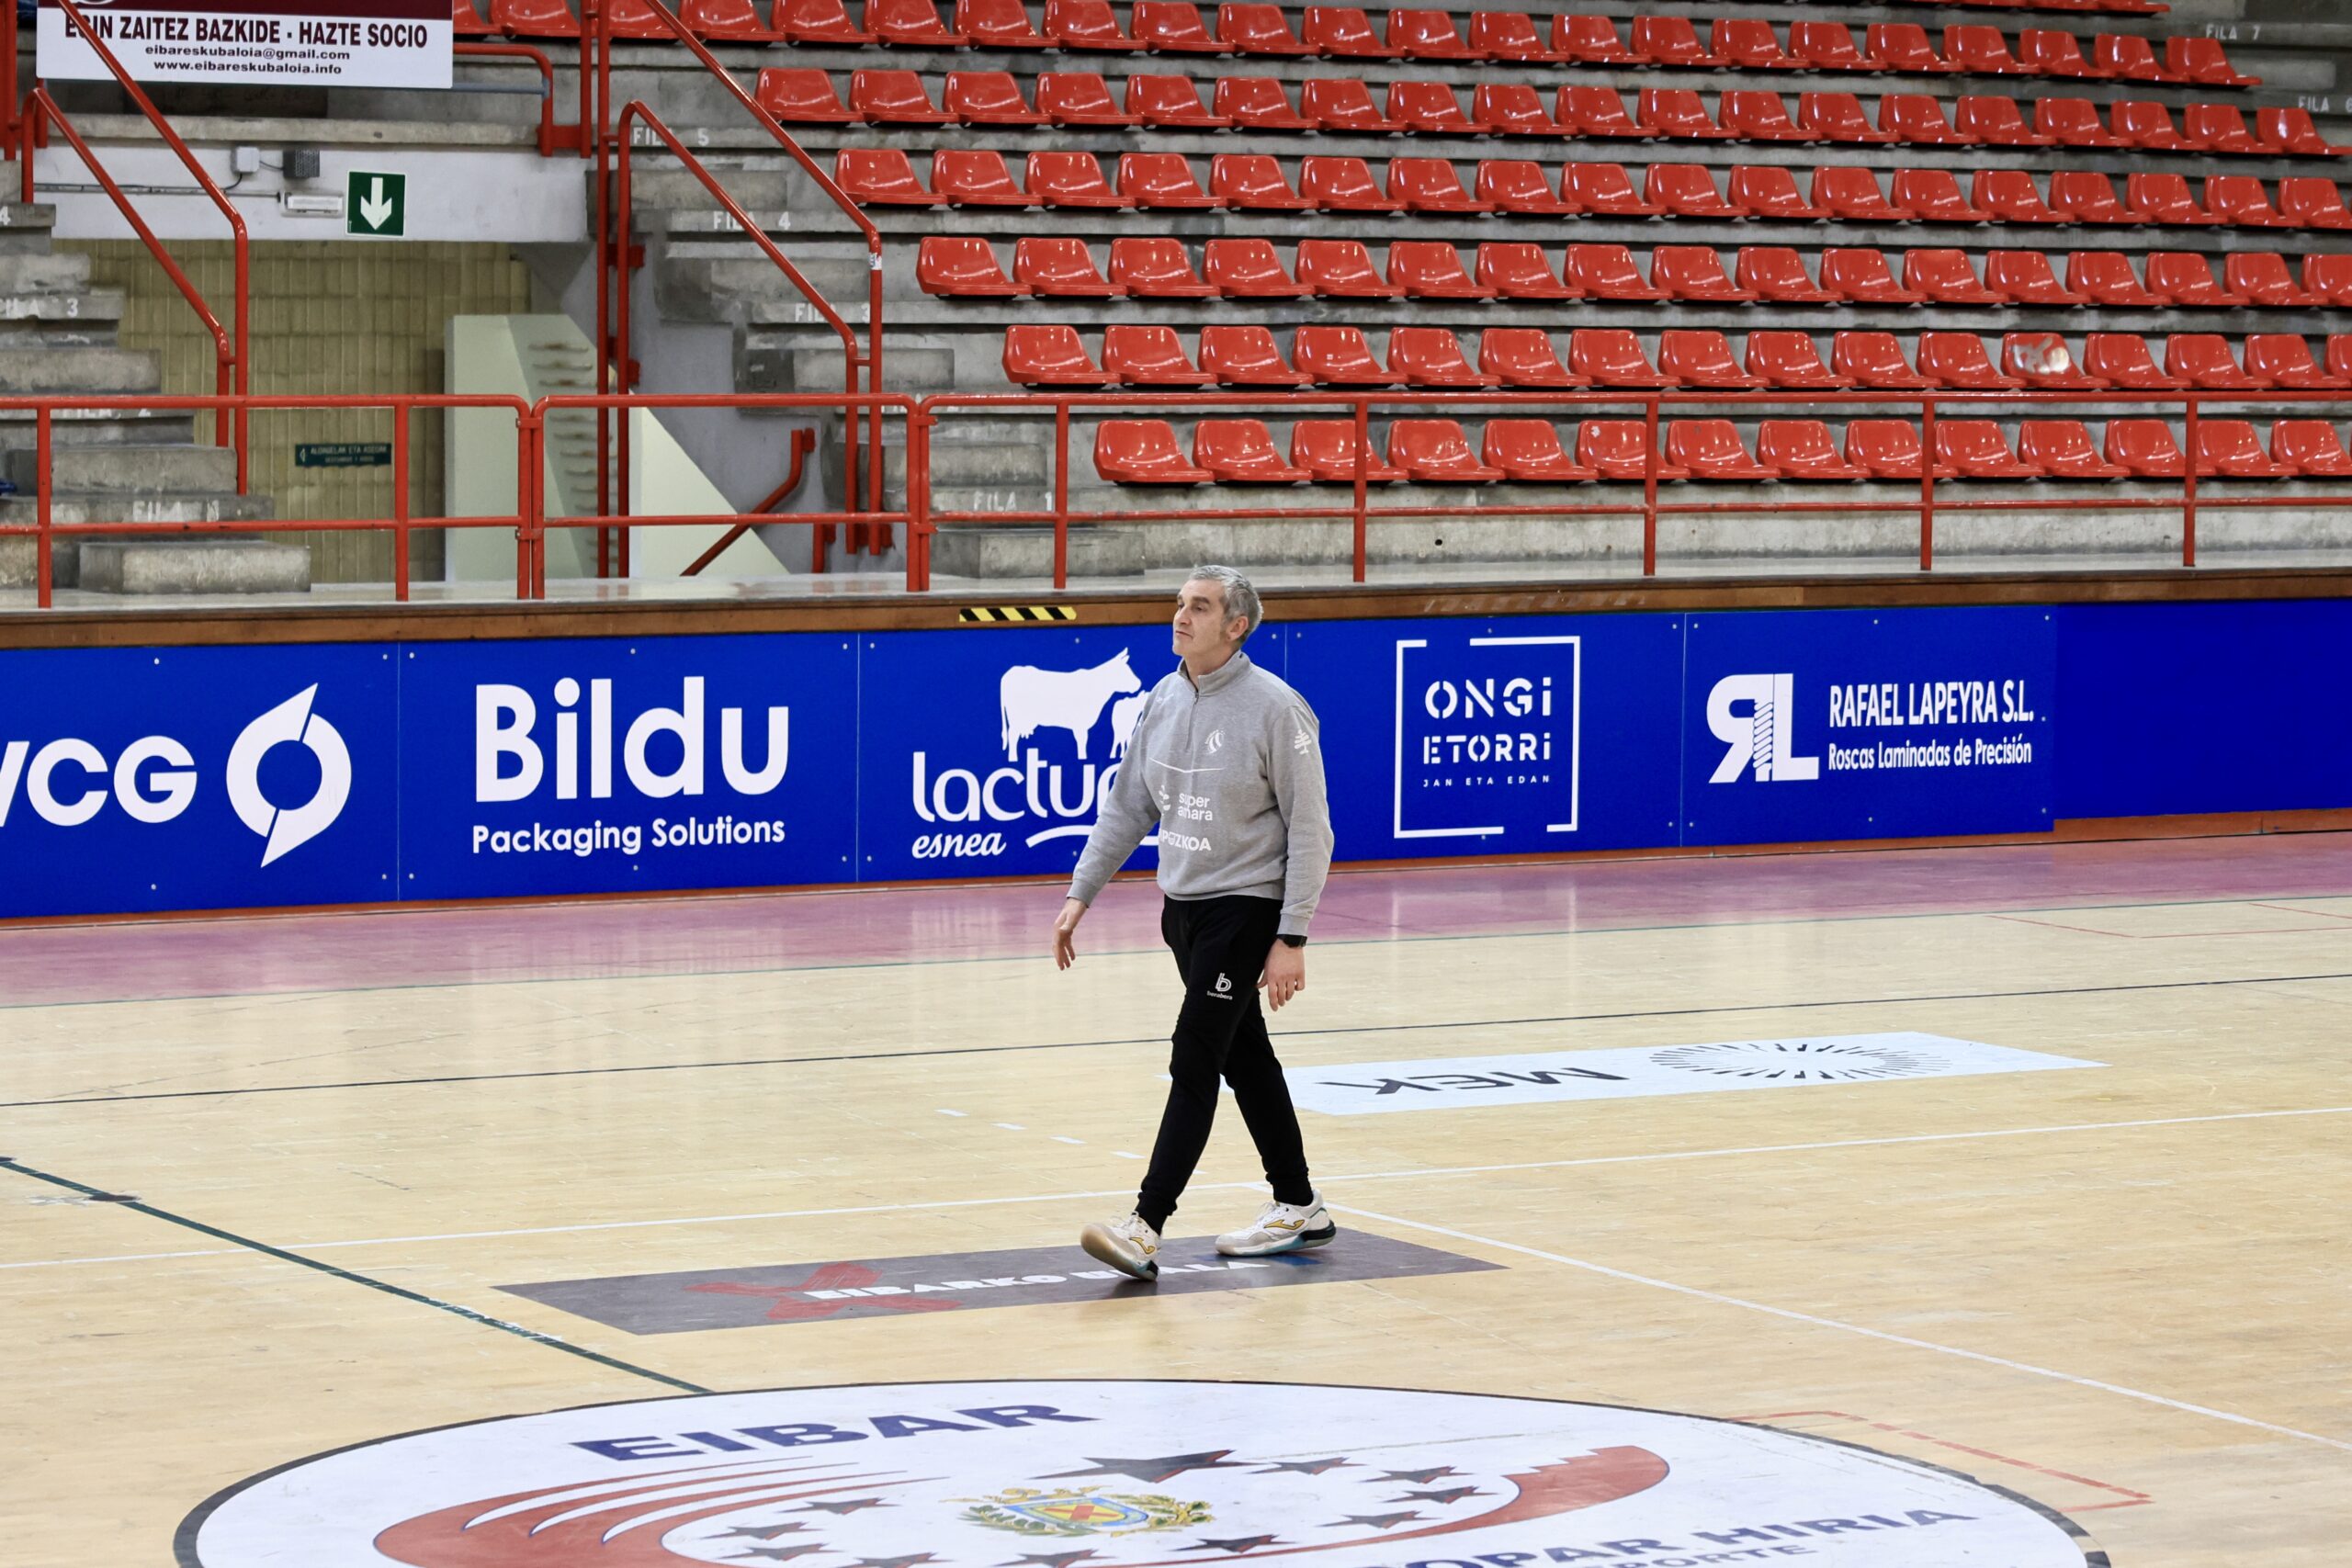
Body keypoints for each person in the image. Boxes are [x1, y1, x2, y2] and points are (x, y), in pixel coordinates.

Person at [1052, 565, 1335, 1281]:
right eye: (1180, 603)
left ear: (1236, 625)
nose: (1182, 616)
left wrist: (1291, 935)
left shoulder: (1277, 708)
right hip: (1182, 911)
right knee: (1246, 1058)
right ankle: (1299, 1202)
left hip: (1246, 908)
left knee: (1196, 1054)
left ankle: (1145, 1224)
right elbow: (1128, 805)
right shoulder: (1164, 697)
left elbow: (1312, 828)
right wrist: (1081, 892)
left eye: (1200, 607)